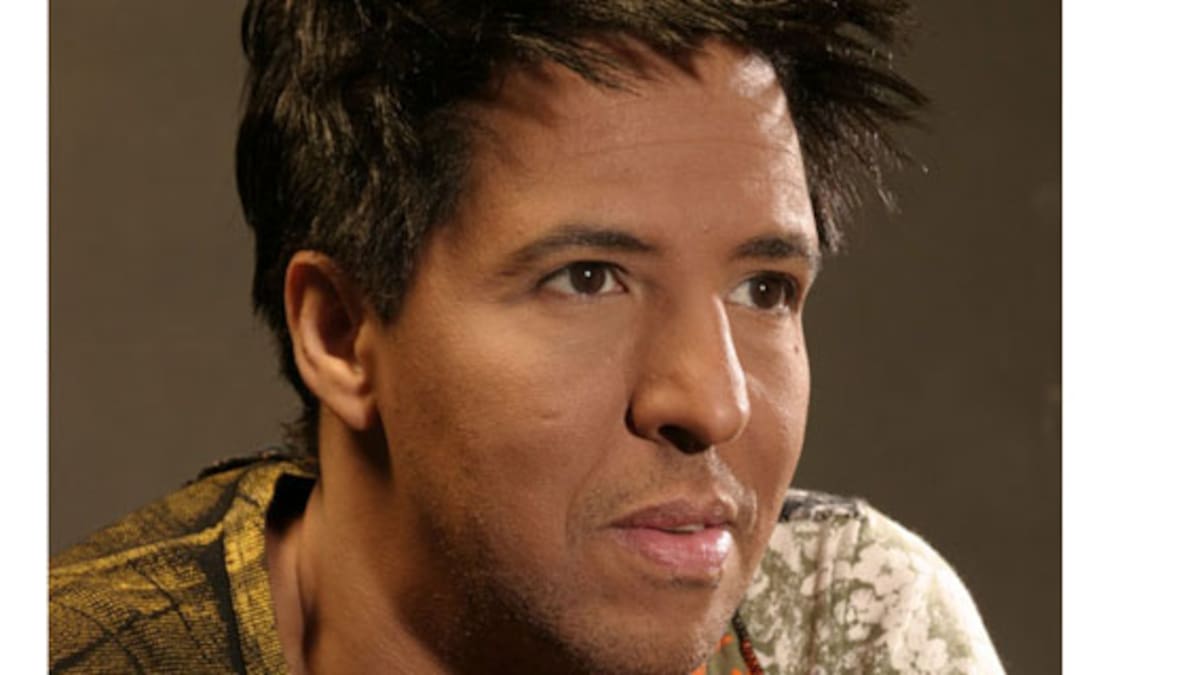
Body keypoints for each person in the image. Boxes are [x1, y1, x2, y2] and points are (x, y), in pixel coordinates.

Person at [49, 1, 1005, 673]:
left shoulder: (850, 619)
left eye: (765, 289)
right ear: (340, 333)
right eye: (587, 278)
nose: (714, 403)